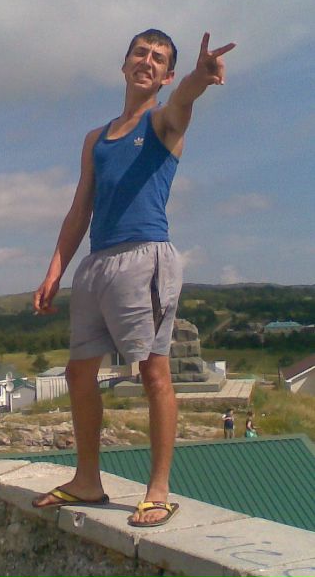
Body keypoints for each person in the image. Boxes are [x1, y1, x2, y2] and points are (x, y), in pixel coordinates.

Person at [33, 29, 236, 527]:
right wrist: (55, 270)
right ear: (124, 64)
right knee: (78, 372)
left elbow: (184, 101)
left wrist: (199, 78)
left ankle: (158, 491)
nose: (147, 61)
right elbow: (80, 209)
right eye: (140, 53)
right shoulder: (95, 139)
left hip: (145, 260)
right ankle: (87, 480)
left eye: (159, 58)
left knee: (153, 373)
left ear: (166, 75)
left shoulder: (163, 122)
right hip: (97, 264)